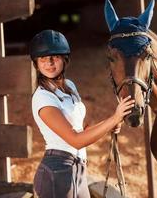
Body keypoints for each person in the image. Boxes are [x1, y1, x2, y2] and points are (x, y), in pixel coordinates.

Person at [30, 29, 134, 198]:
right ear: (36, 64)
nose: (49, 62)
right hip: (57, 172)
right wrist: (113, 118)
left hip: (78, 170)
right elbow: (76, 140)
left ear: (65, 59)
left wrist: (112, 124)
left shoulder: (69, 87)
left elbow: (82, 131)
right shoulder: (43, 97)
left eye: (54, 57)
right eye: (43, 58)